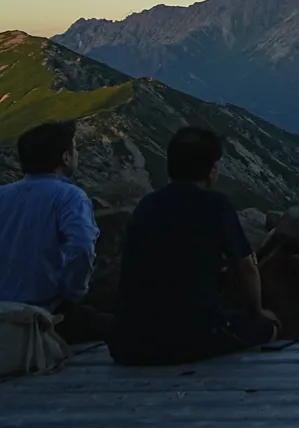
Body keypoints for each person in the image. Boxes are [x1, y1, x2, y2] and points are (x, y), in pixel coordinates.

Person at [107, 126, 280, 364]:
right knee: (267, 327)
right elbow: (247, 267)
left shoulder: (146, 205)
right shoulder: (215, 204)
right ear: (212, 171)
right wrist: (258, 312)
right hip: (192, 337)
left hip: (128, 342)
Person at [0, 120, 110, 343]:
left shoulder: (3, 194)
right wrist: (74, 292)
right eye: (75, 149)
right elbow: (81, 248)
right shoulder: (70, 196)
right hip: (46, 314)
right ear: (66, 158)